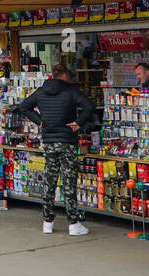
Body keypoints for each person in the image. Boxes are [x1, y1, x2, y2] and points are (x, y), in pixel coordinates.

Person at [12, 64, 100, 236]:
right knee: (68, 182)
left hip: (49, 141)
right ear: (65, 75)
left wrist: (39, 121)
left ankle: (47, 222)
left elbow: (23, 107)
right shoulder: (70, 91)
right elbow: (89, 106)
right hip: (67, 140)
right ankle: (73, 224)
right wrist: (78, 123)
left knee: (49, 181)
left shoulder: (41, 91)